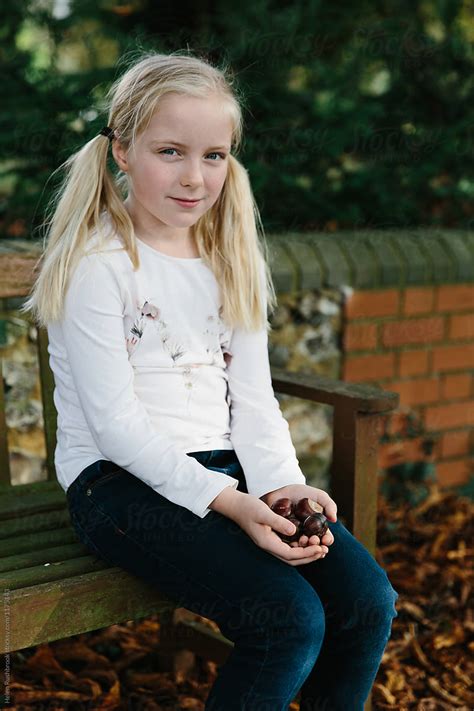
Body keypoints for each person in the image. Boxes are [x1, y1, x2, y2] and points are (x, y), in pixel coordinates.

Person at [22, 50, 398, 710]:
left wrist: (280, 483)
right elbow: (116, 427)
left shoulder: (228, 259)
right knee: (287, 619)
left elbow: (252, 397)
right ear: (122, 150)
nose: (195, 177)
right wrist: (231, 503)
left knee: (367, 601)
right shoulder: (97, 264)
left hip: (226, 474)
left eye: (215, 155)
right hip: (115, 484)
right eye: (171, 151)